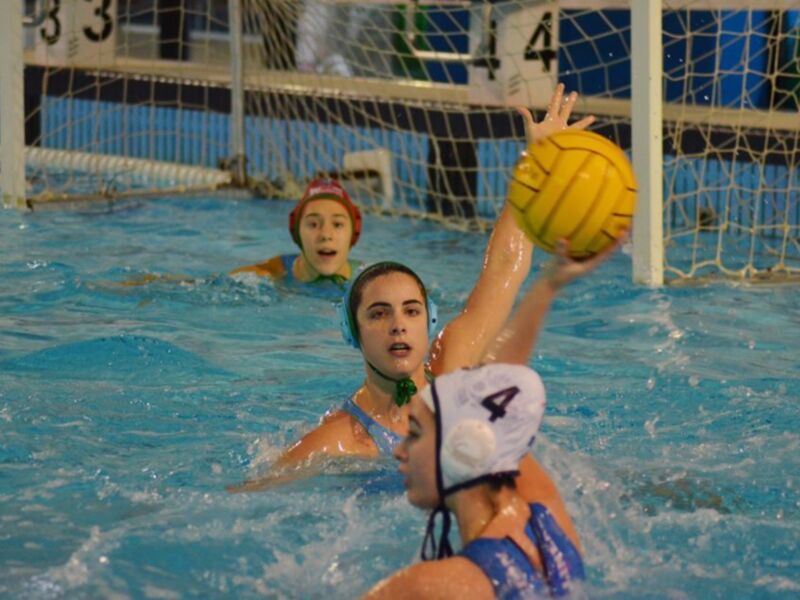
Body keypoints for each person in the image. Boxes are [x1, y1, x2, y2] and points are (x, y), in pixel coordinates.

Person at [228, 85, 598, 547]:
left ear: (428, 321)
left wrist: (538, 166)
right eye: (379, 314)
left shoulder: (453, 364)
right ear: (355, 333)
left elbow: (505, 268)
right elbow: (241, 503)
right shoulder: (341, 441)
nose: (398, 324)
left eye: (411, 311)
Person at [361, 236, 622, 599]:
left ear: (463, 448)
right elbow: (501, 396)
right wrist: (548, 285)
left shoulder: (428, 587)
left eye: (416, 434)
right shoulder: (548, 524)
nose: (399, 451)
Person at [230, 177, 362, 285]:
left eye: (338, 224)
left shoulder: (369, 278)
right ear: (297, 233)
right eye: (313, 224)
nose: (326, 235)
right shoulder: (271, 275)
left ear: (353, 233)